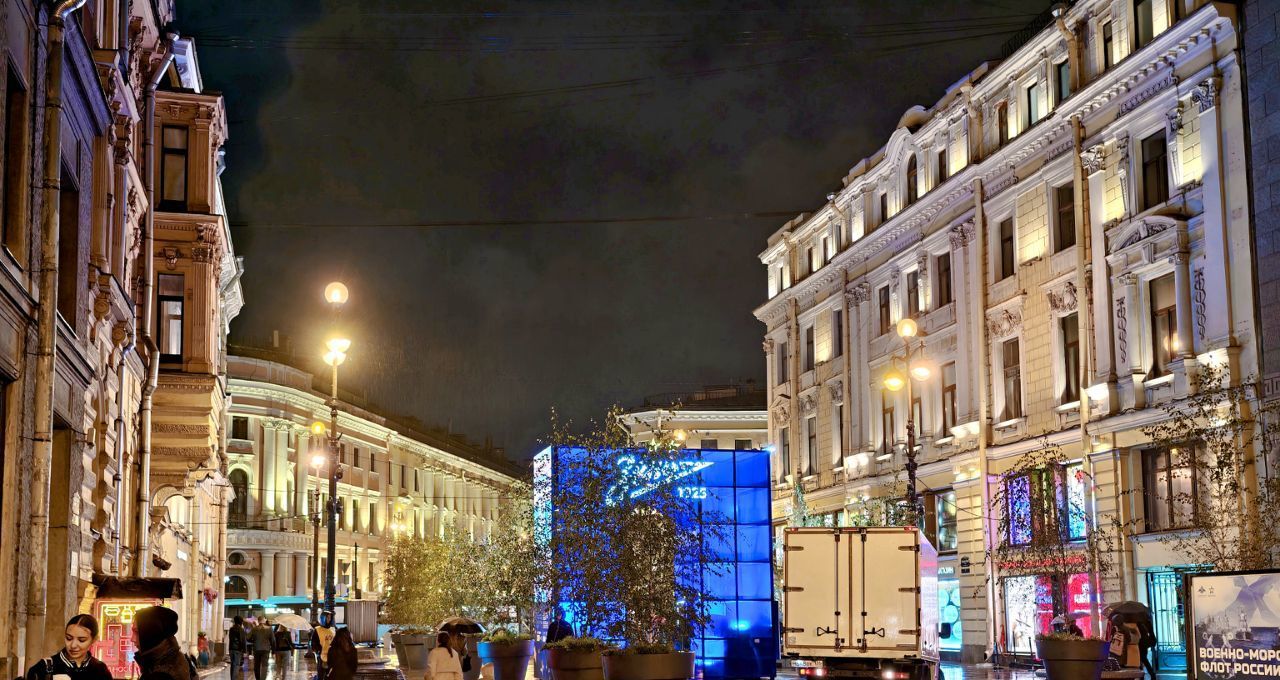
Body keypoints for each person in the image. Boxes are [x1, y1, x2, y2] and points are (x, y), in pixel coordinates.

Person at [25, 614, 113, 680]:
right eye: (69, 638)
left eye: (81, 640)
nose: (73, 645)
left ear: (94, 640)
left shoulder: (100, 669)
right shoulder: (44, 667)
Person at [133, 606, 195, 680]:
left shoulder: (160, 676)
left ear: (151, 635)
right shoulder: (173, 663)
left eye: (136, 632)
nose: (132, 639)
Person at [310, 612, 336, 680]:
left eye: (330, 618)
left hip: (332, 656)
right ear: (323, 618)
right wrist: (318, 650)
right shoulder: (317, 630)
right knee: (321, 675)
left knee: (330, 675)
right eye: (327, 617)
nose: (329, 619)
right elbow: (313, 643)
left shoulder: (333, 629)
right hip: (322, 656)